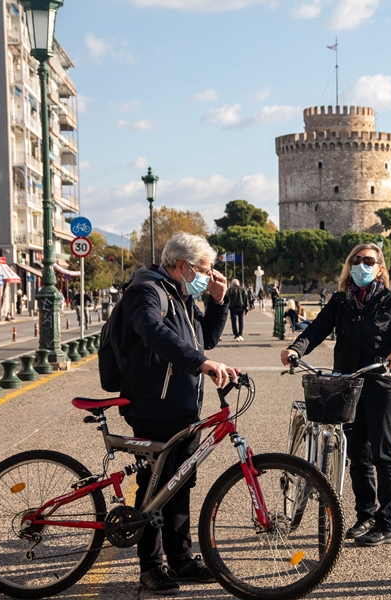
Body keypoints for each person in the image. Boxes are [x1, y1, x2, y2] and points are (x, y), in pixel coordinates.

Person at [117, 232, 237, 595]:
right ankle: (151, 567)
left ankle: (181, 558)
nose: (210, 274)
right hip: (154, 403)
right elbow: (153, 332)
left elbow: (205, 341)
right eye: (206, 268)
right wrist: (200, 363)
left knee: (181, 481)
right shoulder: (147, 290)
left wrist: (218, 303)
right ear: (182, 266)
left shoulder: (182, 296)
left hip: (184, 405)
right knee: (154, 486)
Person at [281, 243, 391, 547]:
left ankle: (387, 522)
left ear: (380, 268)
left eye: (369, 261)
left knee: (384, 456)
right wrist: (295, 350)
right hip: (348, 388)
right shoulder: (341, 301)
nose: (362, 265)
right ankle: (365, 514)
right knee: (357, 457)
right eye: (356, 260)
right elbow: (316, 330)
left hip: (383, 387)